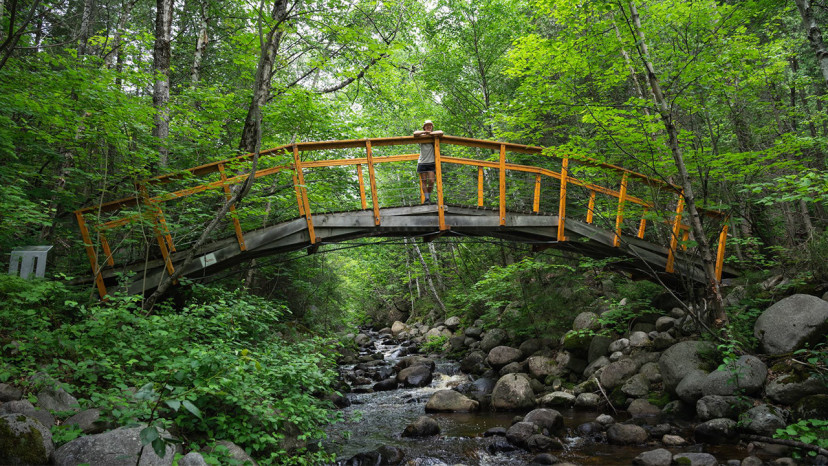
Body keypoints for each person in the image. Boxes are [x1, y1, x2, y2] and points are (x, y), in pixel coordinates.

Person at [413, 120, 443, 204]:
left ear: (432, 127)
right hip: (422, 162)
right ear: (424, 127)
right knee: (424, 181)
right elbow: (415, 133)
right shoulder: (421, 136)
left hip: (431, 162)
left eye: (430, 125)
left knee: (431, 181)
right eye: (427, 125)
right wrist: (425, 132)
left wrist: (430, 133)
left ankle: (428, 197)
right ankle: (427, 199)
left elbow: (441, 132)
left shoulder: (434, 135)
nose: (429, 127)